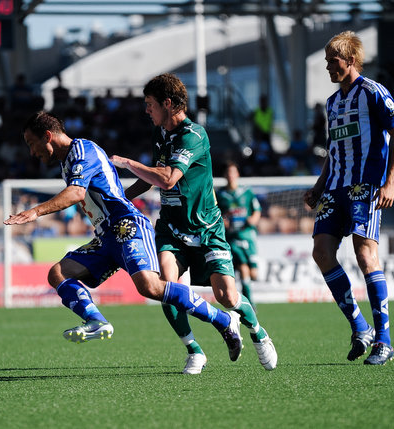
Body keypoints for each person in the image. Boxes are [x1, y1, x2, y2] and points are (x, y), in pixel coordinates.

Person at [4, 111, 243, 365]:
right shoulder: (68, 162)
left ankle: (224, 320)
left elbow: (75, 193)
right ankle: (95, 320)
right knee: (57, 274)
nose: (32, 152)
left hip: (127, 225)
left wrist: (35, 211)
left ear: (48, 136)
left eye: (32, 143)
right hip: (106, 236)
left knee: (150, 287)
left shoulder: (83, 150)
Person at [110, 73, 277, 374]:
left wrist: (127, 163)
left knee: (227, 296)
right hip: (172, 230)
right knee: (168, 287)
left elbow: (169, 177)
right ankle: (194, 350)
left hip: (206, 229)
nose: (146, 110)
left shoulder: (194, 135)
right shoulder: (160, 134)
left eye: (150, 104)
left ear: (168, 104)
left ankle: (257, 332)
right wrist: (117, 196)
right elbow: (151, 179)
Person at [303, 31, 394, 365]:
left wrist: (391, 183)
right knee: (321, 252)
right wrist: (320, 185)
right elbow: (334, 151)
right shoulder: (333, 102)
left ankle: (385, 341)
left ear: (349, 60)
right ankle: (359, 326)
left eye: (331, 61)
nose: (327, 67)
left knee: (366, 256)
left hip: (365, 186)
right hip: (335, 186)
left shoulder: (374, 92)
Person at [216, 162, 262, 309]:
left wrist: (253, 219)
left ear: (237, 175)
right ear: (225, 176)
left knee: (253, 273)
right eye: (228, 173)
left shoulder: (247, 193)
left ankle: (243, 301)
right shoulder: (220, 195)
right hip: (231, 237)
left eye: (233, 172)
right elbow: (214, 213)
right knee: (242, 267)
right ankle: (249, 303)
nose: (230, 175)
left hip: (248, 236)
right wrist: (222, 221)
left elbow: (256, 210)